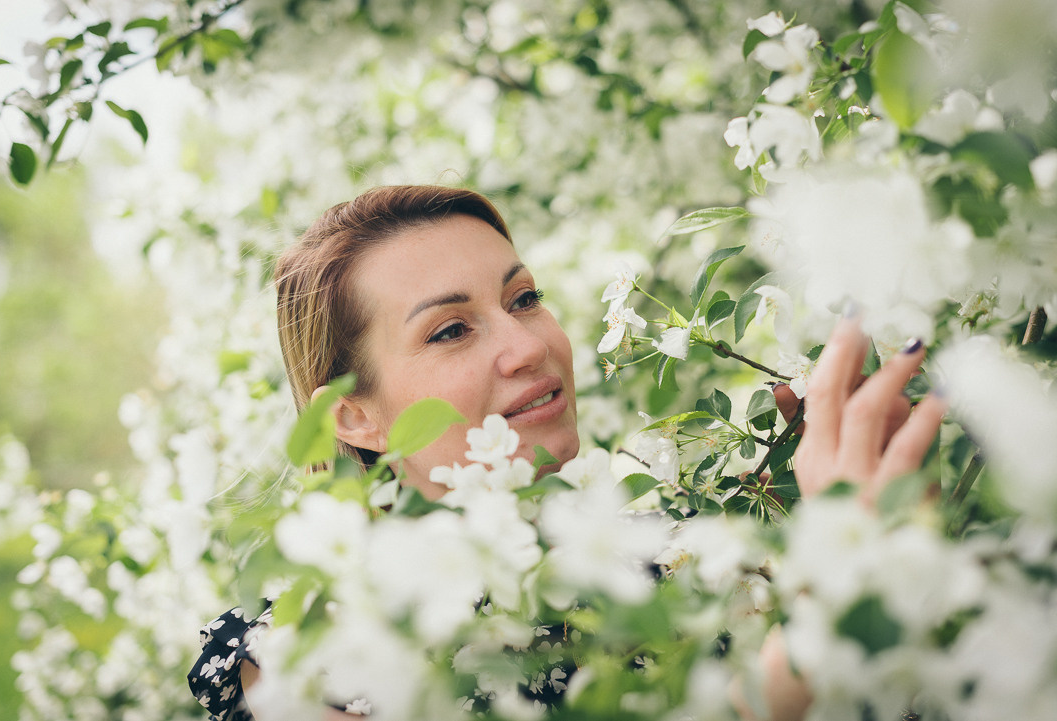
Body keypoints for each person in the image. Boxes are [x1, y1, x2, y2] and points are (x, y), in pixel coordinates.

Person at [188, 185, 946, 721]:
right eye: (451, 329)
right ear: (353, 417)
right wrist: (828, 610)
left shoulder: (687, 547)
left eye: (523, 299)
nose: (528, 345)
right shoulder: (301, 654)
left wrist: (834, 525)